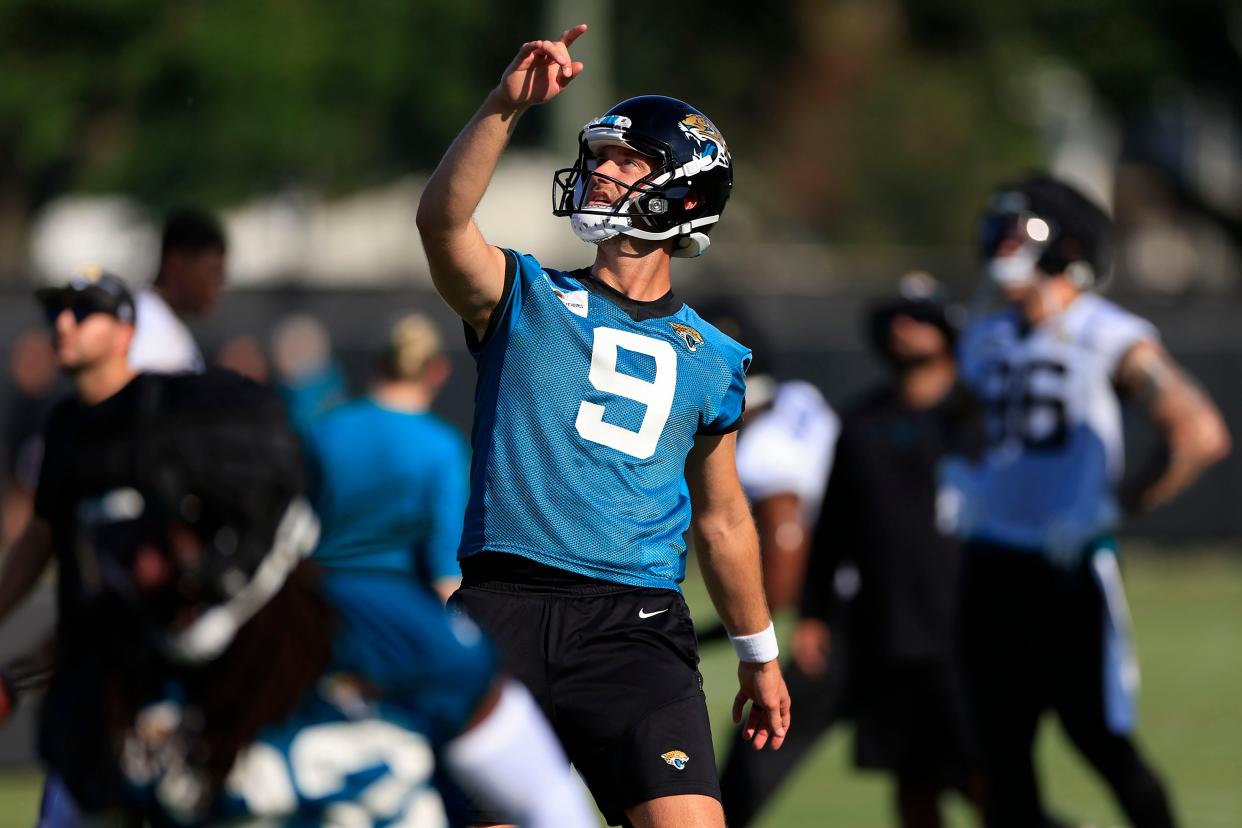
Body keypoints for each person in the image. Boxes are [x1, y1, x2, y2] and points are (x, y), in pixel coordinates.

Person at [415, 24, 790, 828]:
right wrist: (500, 109)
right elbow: (443, 227)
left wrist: (759, 653)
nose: (601, 172)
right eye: (599, 157)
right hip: (502, 606)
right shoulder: (525, 294)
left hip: (635, 623)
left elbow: (723, 518)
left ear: (684, 191)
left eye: (627, 162)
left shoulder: (714, 356)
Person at [40, 367, 596, 827]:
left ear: (244, 520)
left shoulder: (389, 634)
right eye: (123, 539)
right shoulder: (104, 680)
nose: (143, 568)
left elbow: (548, 802)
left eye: (170, 536)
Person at [956, 174, 1231, 828]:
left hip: (1067, 568)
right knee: (999, 753)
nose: (998, 240)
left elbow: (1199, 434)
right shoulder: (988, 333)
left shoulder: (1104, 331)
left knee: (1099, 740)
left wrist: (1113, 508)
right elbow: (968, 432)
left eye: (1015, 226)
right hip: (990, 563)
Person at [722, 274, 987, 828]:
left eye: (918, 316)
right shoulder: (864, 423)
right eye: (895, 317)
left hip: (961, 626)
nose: (903, 328)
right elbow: (835, 528)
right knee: (911, 779)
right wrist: (814, 615)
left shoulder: (979, 421)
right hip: (876, 622)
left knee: (978, 771)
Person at [0, 266, 141, 827]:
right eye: (56, 310)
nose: (62, 323)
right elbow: (43, 532)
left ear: (125, 331)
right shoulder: (66, 424)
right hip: (87, 691)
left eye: (83, 312)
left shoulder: (154, 417)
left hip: (154, 690)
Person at [306, 312, 468, 602]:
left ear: (376, 362)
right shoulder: (441, 446)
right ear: (438, 370)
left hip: (321, 605)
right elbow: (444, 565)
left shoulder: (324, 430)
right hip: (399, 610)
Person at [128, 207, 227, 374]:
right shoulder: (145, 328)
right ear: (176, 263)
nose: (221, 283)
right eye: (212, 271)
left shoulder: (164, 322)